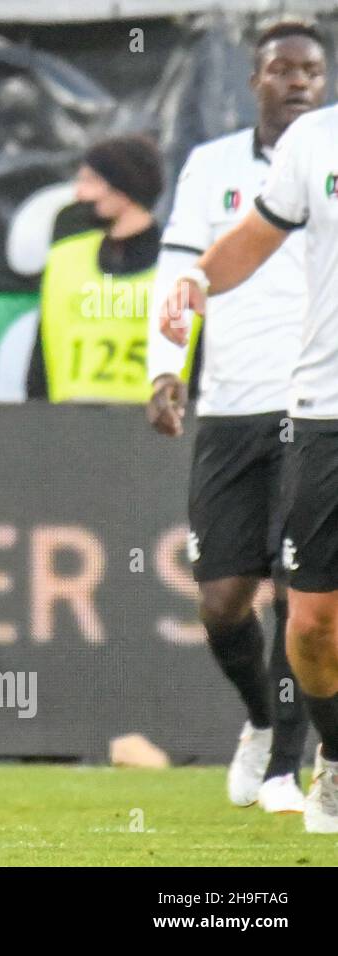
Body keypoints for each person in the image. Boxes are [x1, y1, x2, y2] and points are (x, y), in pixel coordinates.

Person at [159, 31, 338, 834]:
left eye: (312, 69)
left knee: (306, 611)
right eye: (284, 69)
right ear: (256, 78)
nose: (299, 82)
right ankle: (294, 737)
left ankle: (296, 766)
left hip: (298, 406)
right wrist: (184, 314)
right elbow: (227, 251)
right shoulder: (299, 148)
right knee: (265, 611)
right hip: (291, 407)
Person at [27, 135, 164, 402]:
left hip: (153, 434)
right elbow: (41, 358)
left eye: (91, 181)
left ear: (124, 189)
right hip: (70, 429)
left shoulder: (179, 266)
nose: (79, 193)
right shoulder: (65, 258)